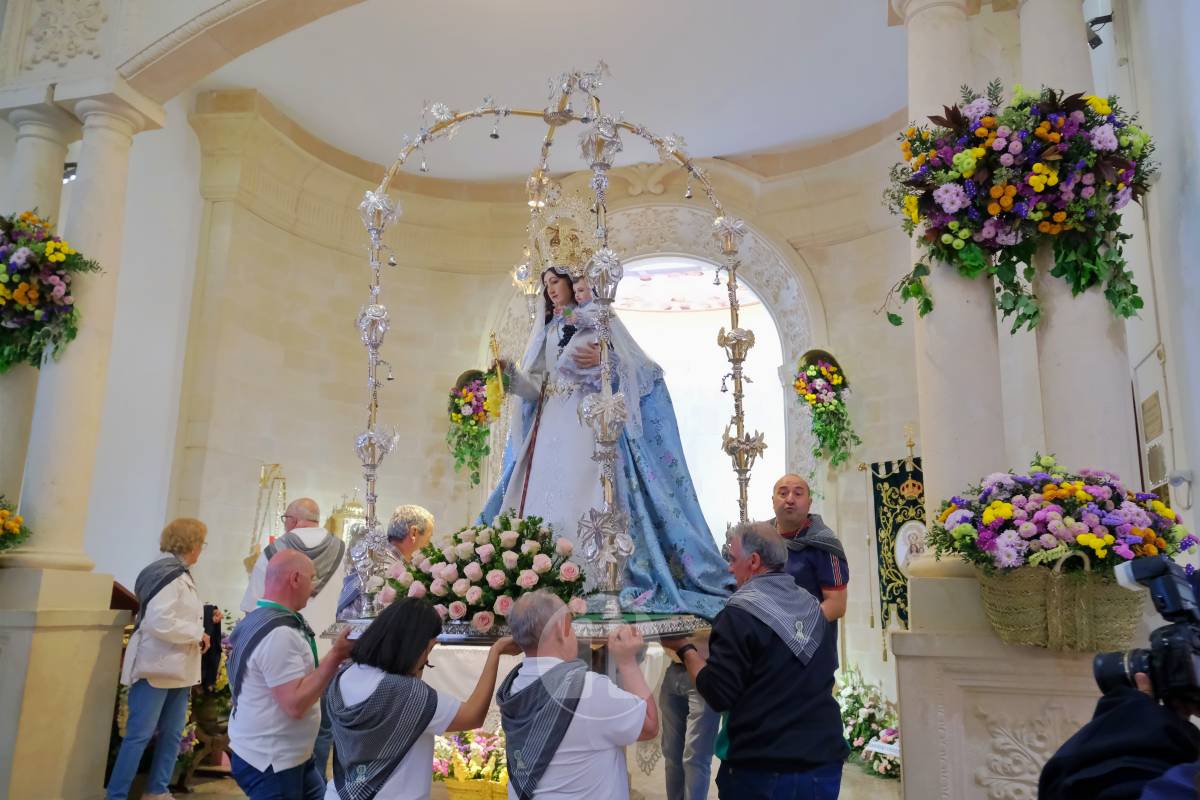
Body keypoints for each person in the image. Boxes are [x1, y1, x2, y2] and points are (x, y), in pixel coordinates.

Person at [482, 265, 733, 619]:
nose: (551, 290)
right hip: (551, 424)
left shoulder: (601, 319)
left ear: (572, 283)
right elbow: (536, 388)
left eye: (556, 282)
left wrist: (607, 361)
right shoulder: (549, 330)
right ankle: (538, 571)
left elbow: (638, 371)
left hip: (589, 425)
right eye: (546, 285)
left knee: (586, 492)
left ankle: (592, 577)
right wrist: (511, 377)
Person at [663, 523, 848, 800]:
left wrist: (685, 649)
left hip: (763, 766)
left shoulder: (739, 614)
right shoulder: (811, 606)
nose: (729, 569)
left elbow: (718, 694)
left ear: (753, 561)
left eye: (732, 559)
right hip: (823, 761)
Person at [323, 597, 520, 799]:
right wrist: (495, 652)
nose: (426, 659)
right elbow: (473, 715)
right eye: (429, 649)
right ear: (414, 646)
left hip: (339, 793)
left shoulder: (344, 675)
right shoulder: (405, 693)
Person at [496, 590, 658, 799]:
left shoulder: (512, 686)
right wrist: (627, 662)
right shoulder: (588, 690)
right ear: (562, 627)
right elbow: (649, 725)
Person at [228, 549, 353, 800]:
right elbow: (294, 705)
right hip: (272, 762)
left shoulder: (260, 617)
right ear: (295, 579)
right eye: (312, 578)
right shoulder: (279, 634)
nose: (314, 586)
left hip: (290, 756)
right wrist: (336, 656)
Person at [107, 518, 213, 800]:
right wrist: (196, 634)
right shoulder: (169, 575)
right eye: (202, 542)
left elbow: (178, 614)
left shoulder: (181, 574)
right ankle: (116, 795)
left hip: (178, 669)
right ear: (192, 544)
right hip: (157, 667)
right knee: (138, 737)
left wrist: (203, 620)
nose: (203, 548)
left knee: (172, 733)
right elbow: (158, 621)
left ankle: (157, 790)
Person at [242, 498, 346, 783]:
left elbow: (254, 607)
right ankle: (316, 784)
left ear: (293, 519)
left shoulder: (276, 551)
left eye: (285, 517)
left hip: (279, 649)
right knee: (323, 728)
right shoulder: (344, 551)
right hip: (329, 653)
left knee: (280, 725)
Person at [770, 474, 849, 626]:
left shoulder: (825, 544)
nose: (790, 500)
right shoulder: (761, 537)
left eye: (798, 494)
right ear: (773, 501)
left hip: (808, 640)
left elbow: (837, 605)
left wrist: (792, 627)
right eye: (783, 493)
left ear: (809, 503)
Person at [336, 504, 434, 620]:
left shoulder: (379, 558)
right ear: (413, 533)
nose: (429, 544)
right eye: (429, 537)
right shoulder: (389, 569)